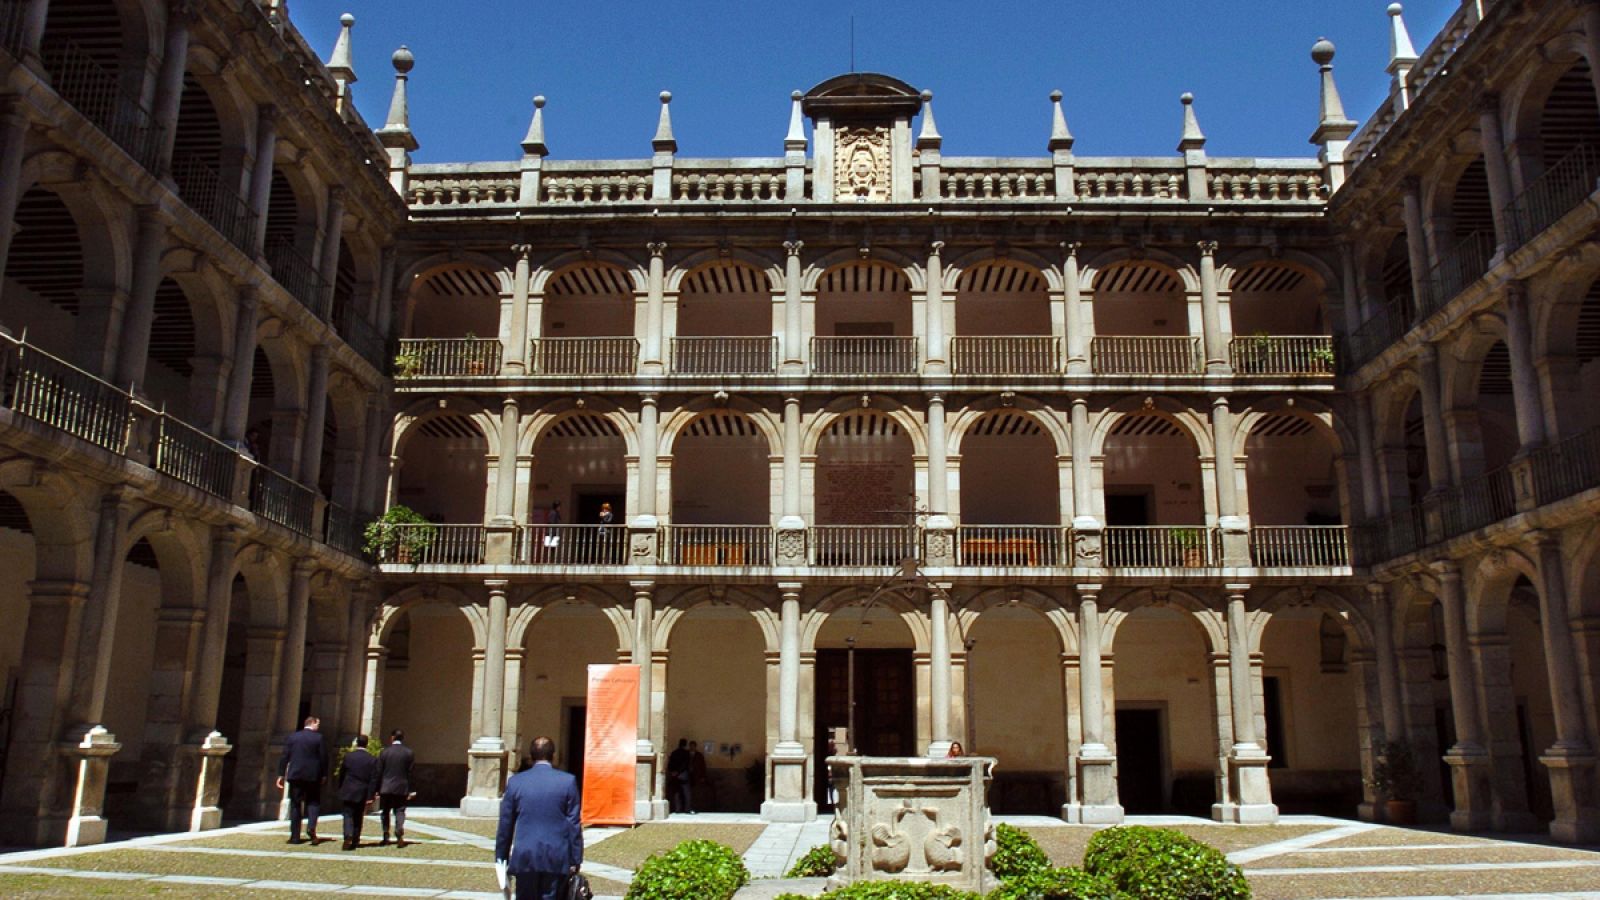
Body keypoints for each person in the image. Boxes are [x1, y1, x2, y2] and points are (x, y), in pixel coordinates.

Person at [495, 736, 582, 900]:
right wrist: (575, 859)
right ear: (553, 756)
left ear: (531, 756)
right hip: (556, 855)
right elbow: (573, 823)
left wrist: (501, 857)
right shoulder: (568, 782)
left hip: (525, 855)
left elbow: (505, 824)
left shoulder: (516, 782)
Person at [277, 716, 330, 845]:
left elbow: (285, 756)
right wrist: (324, 774)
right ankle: (311, 826)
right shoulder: (318, 738)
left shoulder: (293, 737)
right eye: (317, 724)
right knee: (313, 802)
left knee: (295, 805)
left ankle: (295, 836)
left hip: (295, 775)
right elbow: (323, 757)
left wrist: (281, 774)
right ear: (312, 723)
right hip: (313, 776)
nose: (318, 726)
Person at [336, 735, 379, 851]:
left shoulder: (348, 757)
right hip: (362, 791)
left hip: (348, 789)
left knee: (347, 814)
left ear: (356, 743)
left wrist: (340, 787)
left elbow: (342, 773)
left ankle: (347, 834)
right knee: (358, 816)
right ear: (367, 744)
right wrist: (371, 795)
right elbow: (373, 779)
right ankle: (355, 839)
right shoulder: (372, 759)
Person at [376, 728, 416, 847]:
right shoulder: (409, 752)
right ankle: (399, 832)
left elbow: (379, 771)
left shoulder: (384, 752)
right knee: (400, 810)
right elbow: (410, 772)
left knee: (385, 811)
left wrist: (377, 789)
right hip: (401, 786)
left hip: (386, 786)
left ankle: (385, 834)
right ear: (402, 738)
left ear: (392, 738)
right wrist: (411, 789)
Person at [666, 738, 693, 814]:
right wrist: (679, 771)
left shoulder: (674, 752)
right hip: (683, 774)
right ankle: (687, 809)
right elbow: (685, 764)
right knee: (686, 793)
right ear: (685, 744)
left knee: (677, 793)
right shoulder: (686, 753)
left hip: (675, 775)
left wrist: (672, 772)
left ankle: (678, 809)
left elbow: (670, 763)